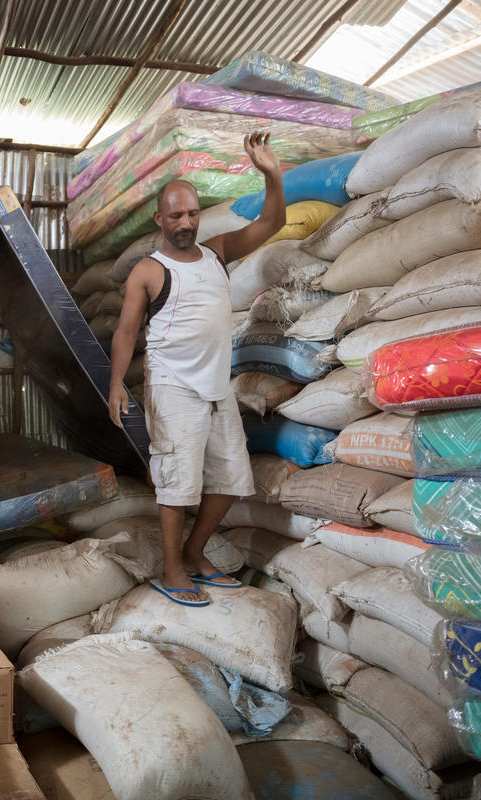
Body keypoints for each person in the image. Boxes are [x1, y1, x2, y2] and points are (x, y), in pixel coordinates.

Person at [107, 131, 286, 607]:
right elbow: (125, 331)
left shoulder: (217, 252)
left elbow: (272, 222)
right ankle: (171, 569)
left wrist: (271, 174)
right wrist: (116, 385)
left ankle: (192, 552)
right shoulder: (149, 270)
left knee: (231, 479)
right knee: (177, 483)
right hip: (172, 386)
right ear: (159, 219)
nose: (186, 223)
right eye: (176, 216)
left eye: (192, 213)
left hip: (215, 385)